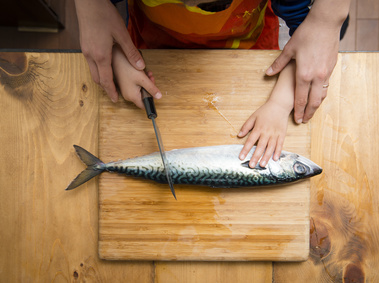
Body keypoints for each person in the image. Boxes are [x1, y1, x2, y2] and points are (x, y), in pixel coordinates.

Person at [74, 0, 350, 168]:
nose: (192, 7)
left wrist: (327, 19)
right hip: (152, 44)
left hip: (247, 44)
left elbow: (311, 31)